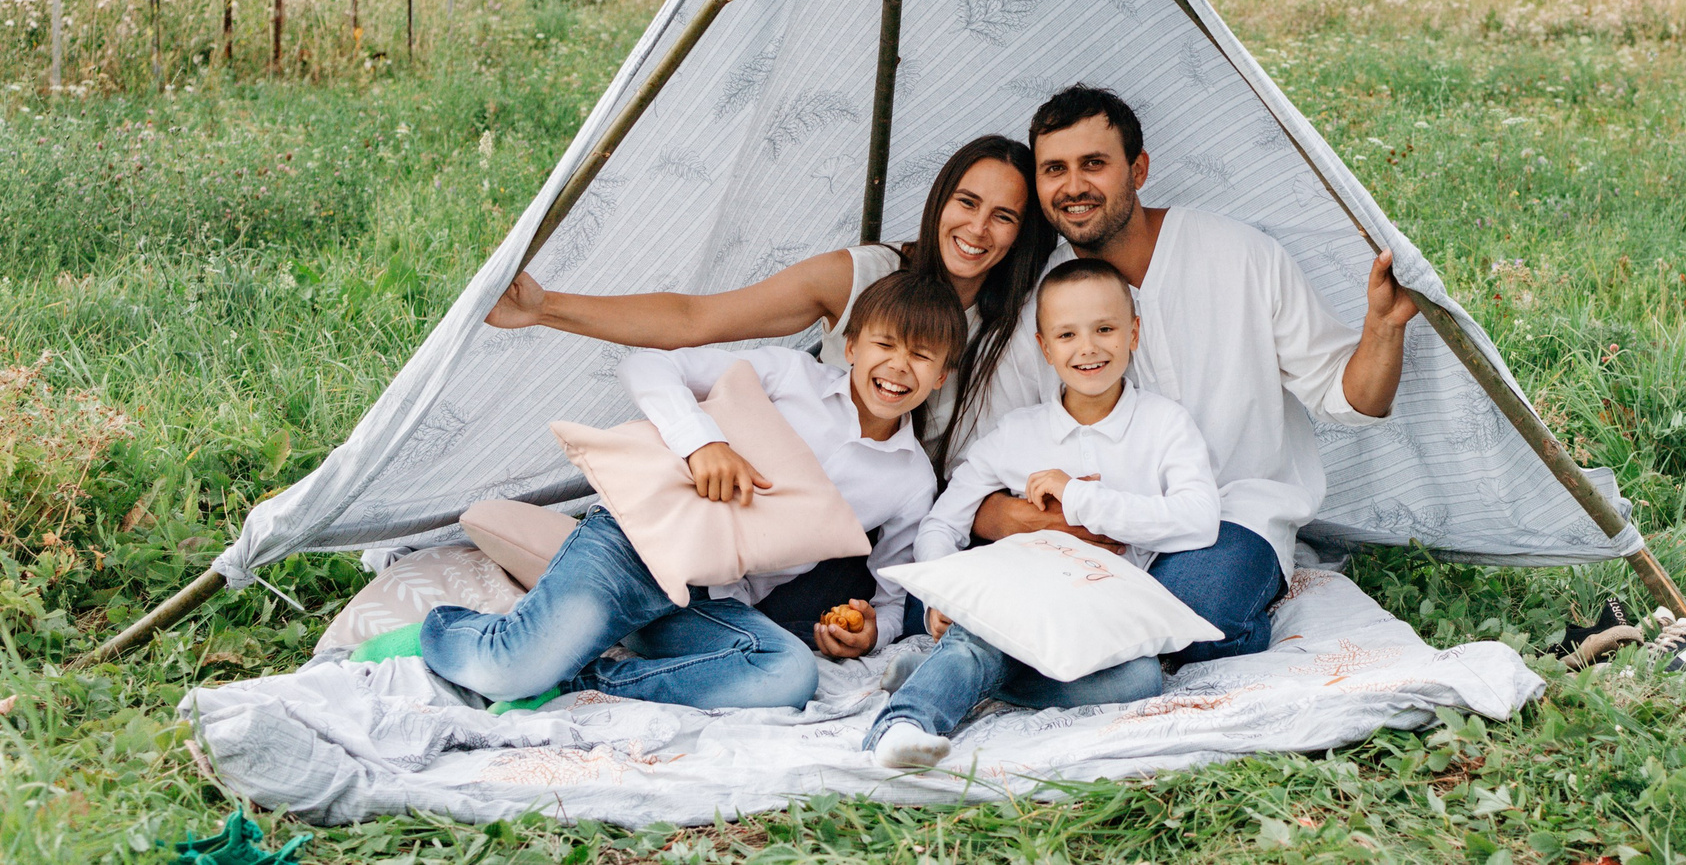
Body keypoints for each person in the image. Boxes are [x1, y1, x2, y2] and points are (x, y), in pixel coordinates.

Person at [361, 272, 966, 712]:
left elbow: (897, 589)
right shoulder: (791, 376)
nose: (898, 368)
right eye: (885, 345)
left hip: (712, 601)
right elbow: (649, 364)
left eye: (921, 356)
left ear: (941, 375)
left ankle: (582, 680)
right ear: (853, 347)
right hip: (636, 548)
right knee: (507, 668)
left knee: (787, 675)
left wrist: (872, 632)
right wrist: (701, 441)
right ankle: (446, 631)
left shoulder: (909, 480)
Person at [967, 85, 1423, 664]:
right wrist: (1013, 519)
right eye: (1054, 169)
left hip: (1230, 519)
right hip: (1095, 531)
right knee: (1066, 623)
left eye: (1094, 164)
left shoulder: (1241, 257)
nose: (1073, 186)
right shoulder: (1039, 299)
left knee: (1181, 618)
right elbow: (979, 458)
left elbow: (1350, 398)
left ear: (1138, 168)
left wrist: (1383, 328)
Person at [485, 135, 1055, 472]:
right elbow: (696, 318)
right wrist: (544, 307)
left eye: (1003, 216)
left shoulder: (1019, 312)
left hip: (900, 509)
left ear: (1022, 232)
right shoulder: (861, 277)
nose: (978, 228)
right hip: (795, 481)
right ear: (941, 200)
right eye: (967, 202)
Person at [864, 256, 1219, 769]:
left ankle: (947, 674)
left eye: (1105, 329)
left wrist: (1081, 497)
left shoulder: (1165, 425)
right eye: (1068, 335)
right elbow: (943, 521)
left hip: (1101, 615)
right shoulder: (1019, 433)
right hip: (1021, 595)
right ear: (1045, 347)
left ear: (1134, 333)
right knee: (985, 632)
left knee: (1141, 679)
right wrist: (940, 593)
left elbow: (1200, 518)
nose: (1089, 348)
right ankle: (903, 724)